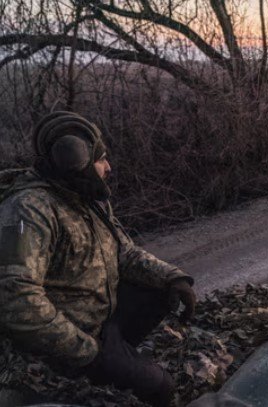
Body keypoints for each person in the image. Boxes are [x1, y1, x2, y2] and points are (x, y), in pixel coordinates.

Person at [0, 111, 197, 407]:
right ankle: (101, 371)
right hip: (68, 342)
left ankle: (118, 359)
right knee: (162, 389)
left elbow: (125, 252)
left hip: (101, 323)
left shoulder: (86, 197)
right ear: (74, 160)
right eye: (101, 159)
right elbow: (17, 300)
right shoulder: (30, 209)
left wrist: (173, 277)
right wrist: (87, 350)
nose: (108, 167)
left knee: (160, 292)